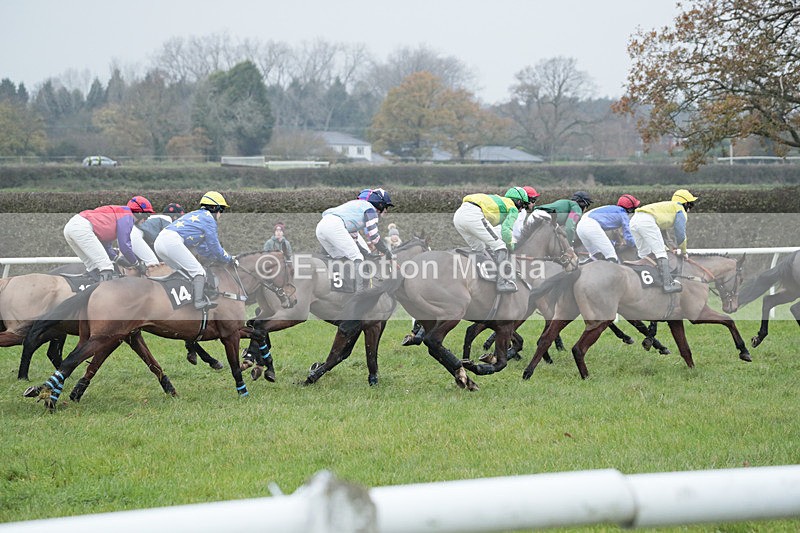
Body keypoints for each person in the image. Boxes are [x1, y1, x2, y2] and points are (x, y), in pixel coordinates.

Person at [154, 191, 235, 309]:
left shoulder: (196, 215)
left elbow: (203, 248)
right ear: (214, 208)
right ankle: (198, 302)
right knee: (199, 272)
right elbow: (214, 246)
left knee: (184, 273)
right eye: (221, 210)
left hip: (160, 242)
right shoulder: (209, 219)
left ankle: (180, 300)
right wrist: (229, 258)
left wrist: (215, 258)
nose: (220, 214)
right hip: (172, 242)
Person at [315, 188, 395, 292]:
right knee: (357, 257)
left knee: (340, 258)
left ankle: (341, 288)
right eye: (386, 207)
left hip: (321, 227)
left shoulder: (356, 210)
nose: (386, 210)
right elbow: (374, 237)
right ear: (380, 204)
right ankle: (360, 292)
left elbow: (354, 239)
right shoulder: (370, 210)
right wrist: (387, 252)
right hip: (334, 226)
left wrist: (367, 253)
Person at [453, 186, 528, 293]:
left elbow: (496, 230)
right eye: (523, 206)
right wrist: (511, 246)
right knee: (500, 246)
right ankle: (502, 283)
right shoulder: (513, 208)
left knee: (480, 250)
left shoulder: (501, 202)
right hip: (474, 215)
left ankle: (480, 278)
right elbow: (505, 232)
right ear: (519, 202)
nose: (521, 210)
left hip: (458, 216)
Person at [63, 196, 155, 281]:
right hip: (82, 227)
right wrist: (136, 264)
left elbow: (106, 245)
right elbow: (124, 246)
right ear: (139, 213)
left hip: (71, 227)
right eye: (146, 215)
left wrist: (117, 259)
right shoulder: (127, 216)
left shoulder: (119, 213)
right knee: (107, 268)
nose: (146, 220)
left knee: (93, 269)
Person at [629, 189, 699, 293]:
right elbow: (680, 234)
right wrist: (684, 251)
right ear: (685, 203)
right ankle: (668, 285)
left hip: (634, 220)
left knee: (644, 254)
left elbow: (662, 233)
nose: (690, 208)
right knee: (661, 253)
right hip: (647, 221)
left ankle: (640, 282)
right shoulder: (680, 209)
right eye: (691, 204)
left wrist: (669, 248)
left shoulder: (667, 207)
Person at [575, 194, 641, 263]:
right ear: (630, 209)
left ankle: (581, 266)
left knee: (596, 255)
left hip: (580, 227)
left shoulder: (610, 208)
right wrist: (636, 245)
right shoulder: (623, 214)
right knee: (612, 256)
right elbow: (629, 238)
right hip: (591, 226)